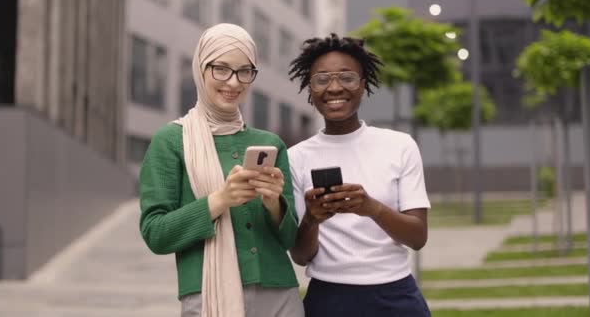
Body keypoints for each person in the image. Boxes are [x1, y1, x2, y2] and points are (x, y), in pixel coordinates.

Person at [139, 23, 303, 317]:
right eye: (221, 69)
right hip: (207, 295)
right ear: (201, 69)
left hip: (280, 296)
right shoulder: (172, 140)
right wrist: (220, 200)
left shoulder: (270, 143)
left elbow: (291, 239)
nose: (233, 82)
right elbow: (156, 233)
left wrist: (274, 204)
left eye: (244, 71)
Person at [287, 33, 432, 317]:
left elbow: (417, 237)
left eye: (347, 77)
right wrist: (312, 219)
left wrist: (371, 208)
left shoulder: (400, 146)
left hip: (396, 296)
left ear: (363, 86)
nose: (335, 87)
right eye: (322, 79)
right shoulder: (295, 158)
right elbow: (301, 256)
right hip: (328, 298)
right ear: (310, 88)